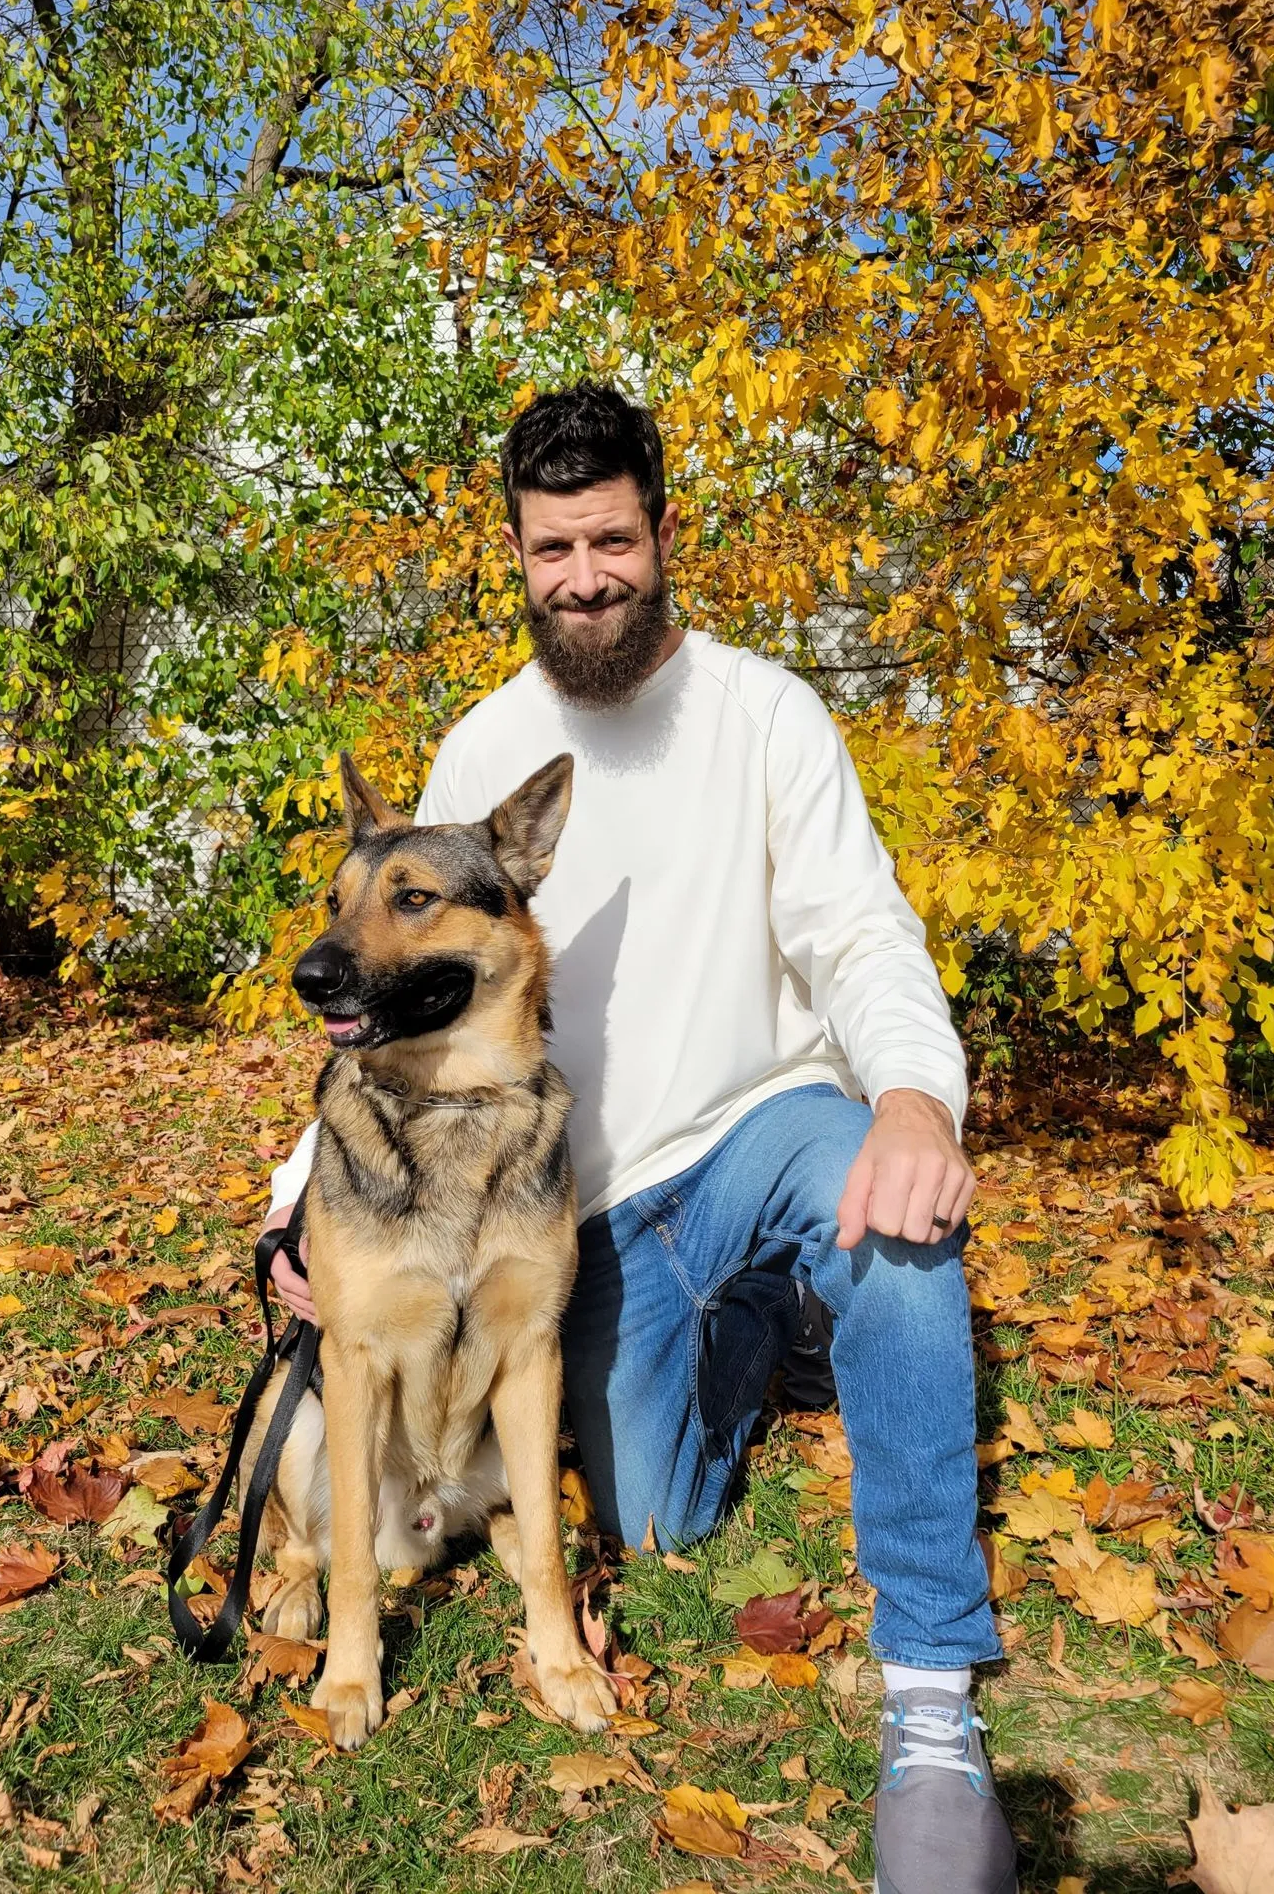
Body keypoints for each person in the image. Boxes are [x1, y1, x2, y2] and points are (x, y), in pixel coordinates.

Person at [263, 381, 1017, 1894]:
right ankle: (765, 1334)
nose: (585, 576)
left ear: (662, 533)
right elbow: (399, 1000)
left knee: (899, 1209)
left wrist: (917, 1100)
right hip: (586, 1204)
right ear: (520, 556)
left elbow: (861, 933)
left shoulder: (762, 713)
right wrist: (294, 1209)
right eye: (554, 549)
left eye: (610, 538)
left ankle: (934, 1698)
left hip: (759, 1128)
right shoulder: (487, 744)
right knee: (660, 1515)